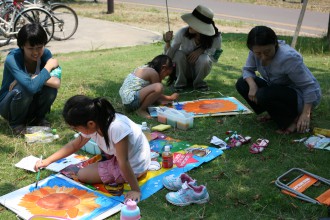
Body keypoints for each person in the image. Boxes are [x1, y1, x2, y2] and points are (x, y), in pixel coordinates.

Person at [35, 95, 151, 202]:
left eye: (77, 128)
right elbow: (74, 145)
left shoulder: (116, 127)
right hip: (125, 158)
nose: (78, 132)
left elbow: (124, 161)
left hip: (135, 166)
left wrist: (135, 190)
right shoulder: (97, 120)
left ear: (90, 124)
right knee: (87, 171)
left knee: (82, 175)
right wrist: (47, 161)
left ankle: (130, 178)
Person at [235, 26, 321, 134]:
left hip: (301, 95)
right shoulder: (254, 51)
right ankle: (275, 113)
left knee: (264, 94)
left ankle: (292, 120)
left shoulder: (289, 58)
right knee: (242, 84)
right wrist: (252, 85)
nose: (263, 57)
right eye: (258, 53)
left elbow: (309, 87)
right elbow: (247, 70)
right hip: (279, 90)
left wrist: (306, 113)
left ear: (275, 43)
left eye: (267, 52)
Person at [0, 23, 61, 135]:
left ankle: (38, 118)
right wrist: (48, 67)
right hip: (7, 106)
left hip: (29, 103)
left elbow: (56, 83)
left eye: (39, 47)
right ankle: (16, 124)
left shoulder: (46, 54)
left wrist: (32, 77)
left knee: (50, 89)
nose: (36, 52)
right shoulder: (12, 58)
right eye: (30, 48)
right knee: (26, 87)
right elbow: (31, 88)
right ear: (22, 46)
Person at [163, 4, 222, 92]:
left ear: (202, 27)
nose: (189, 24)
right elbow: (169, 56)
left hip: (200, 71)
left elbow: (214, 59)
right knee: (179, 54)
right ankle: (180, 83)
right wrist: (167, 42)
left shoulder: (216, 38)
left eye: (194, 22)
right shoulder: (182, 33)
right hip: (183, 70)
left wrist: (202, 50)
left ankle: (199, 83)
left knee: (204, 58)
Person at [119, 54, 179, 119]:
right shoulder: (153, 73)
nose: (165, 77)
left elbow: (154, 95)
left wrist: (160, 100)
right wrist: (170, 98)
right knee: (159, 87)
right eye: (166, 74)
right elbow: (158, 93)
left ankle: (141, 107)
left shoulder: (145, 68)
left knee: (157, 88)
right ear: (163, 68)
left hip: (127, 101)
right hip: (131, 101)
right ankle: (141, 110)